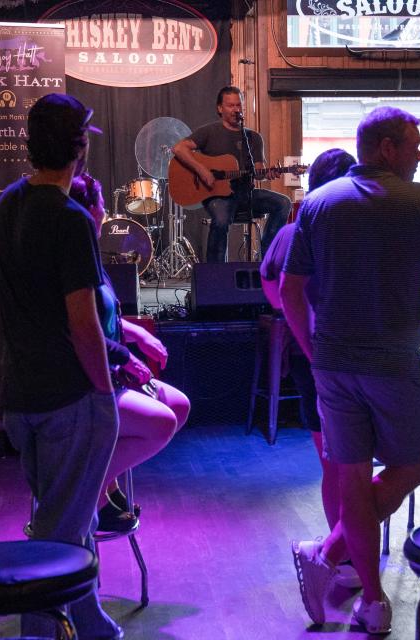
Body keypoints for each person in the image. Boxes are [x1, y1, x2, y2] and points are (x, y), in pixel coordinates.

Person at [282, 107, 420, 634]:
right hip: (391, 359)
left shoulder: (317, 203)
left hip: (334, 363)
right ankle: (328, 553)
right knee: (411, 466)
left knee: (351, 475)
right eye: (414, 145)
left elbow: (289, 290)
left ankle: (370, 599)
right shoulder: (416, 200)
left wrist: (311, 349)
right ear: (388, 148)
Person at [0, 93, 123, 639]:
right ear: (79, 148)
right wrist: (104, 396)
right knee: (60, 527)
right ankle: (38, 629)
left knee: (68, 515)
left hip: (18, 399)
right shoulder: (72, 219)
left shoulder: (8, 202)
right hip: (68, 400)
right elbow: (84, 326)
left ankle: (87, 620)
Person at [69, 174, 191, 531]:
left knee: (179, 406)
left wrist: (137, 333)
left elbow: (107, 319)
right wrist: (126, 356)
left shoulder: (91, 253)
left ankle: (105, 481)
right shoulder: (71, 260)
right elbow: (80, 331)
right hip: (92, 380)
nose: (106, 211)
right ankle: (90, 487)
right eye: (102, 204)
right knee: (163, 422)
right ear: (88, 209)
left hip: (113, 370)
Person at [258, 148, 358, 585]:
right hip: (329, 352)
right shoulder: (317, 230)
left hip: (308, 350)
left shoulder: (294, 230)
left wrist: (288, 313)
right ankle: (344, 548)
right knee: (345, 463)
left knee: (332, 462)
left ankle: (344, 544)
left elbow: (267, 275)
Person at [172, 85, 290, 263]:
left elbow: (258, 172)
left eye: (239, 105)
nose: (236, 109)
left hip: (246, 194)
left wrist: (268, 173)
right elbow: (179, 148)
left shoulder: (253, 138)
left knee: (283, 203)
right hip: (218, 196)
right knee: (221, 218)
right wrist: (202, 170)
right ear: (220, 108)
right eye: (231, 105)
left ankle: (266, 261)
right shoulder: (209, 132)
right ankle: (215, 272)